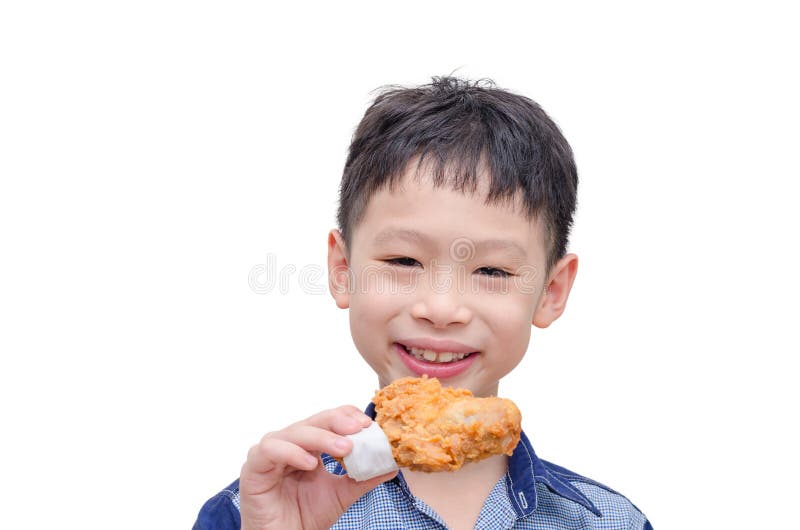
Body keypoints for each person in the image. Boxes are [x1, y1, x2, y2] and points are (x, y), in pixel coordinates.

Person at [193, 76, 652, 530]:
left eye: (491, 271)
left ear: (551, 292)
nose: (441, 307)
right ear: (343, 269)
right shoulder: (253, 512)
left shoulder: (610, 522)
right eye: (403, 260)